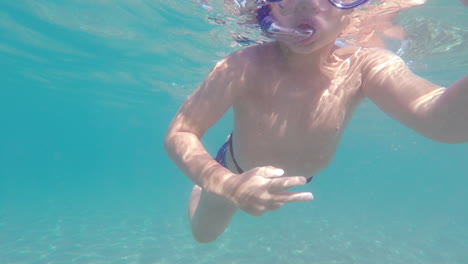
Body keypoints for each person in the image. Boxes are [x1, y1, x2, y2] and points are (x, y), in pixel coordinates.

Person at [165, 0, 468, 243]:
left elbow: (443, 122)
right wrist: (227, 185)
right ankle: (200, 189)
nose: (308, 4)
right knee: (204, 236)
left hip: (294, 177)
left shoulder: (364, 66)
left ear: (350, 15)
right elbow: (181, 132)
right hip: (233, 169)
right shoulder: (243, 65)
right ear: (269, 9)